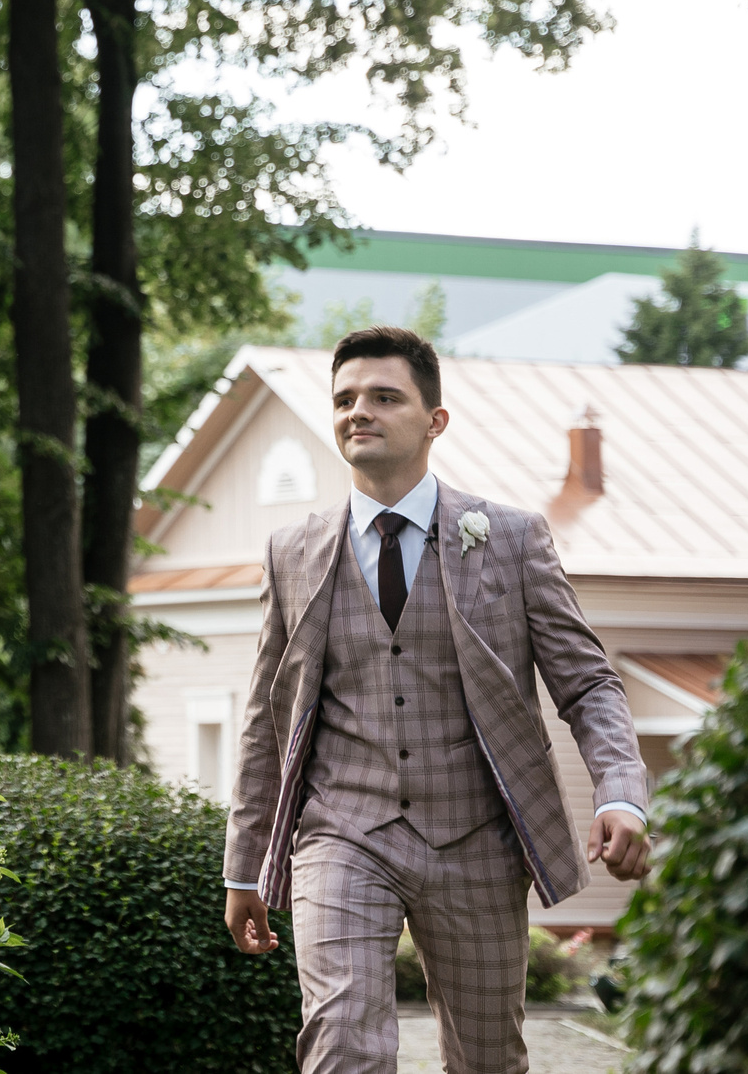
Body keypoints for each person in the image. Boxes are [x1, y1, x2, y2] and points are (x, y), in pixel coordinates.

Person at [223, 327, 650, 1074]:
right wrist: (244, 865)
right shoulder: (291, 550)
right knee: (342, 1045)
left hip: (477, 837)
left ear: (435, 420)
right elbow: (267, 717)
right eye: (346, 399)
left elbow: (587, 681)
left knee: (487, 1058)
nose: (361, 411)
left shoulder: (511, 539)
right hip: (342, 832)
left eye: (385, 396)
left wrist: (622, 793)